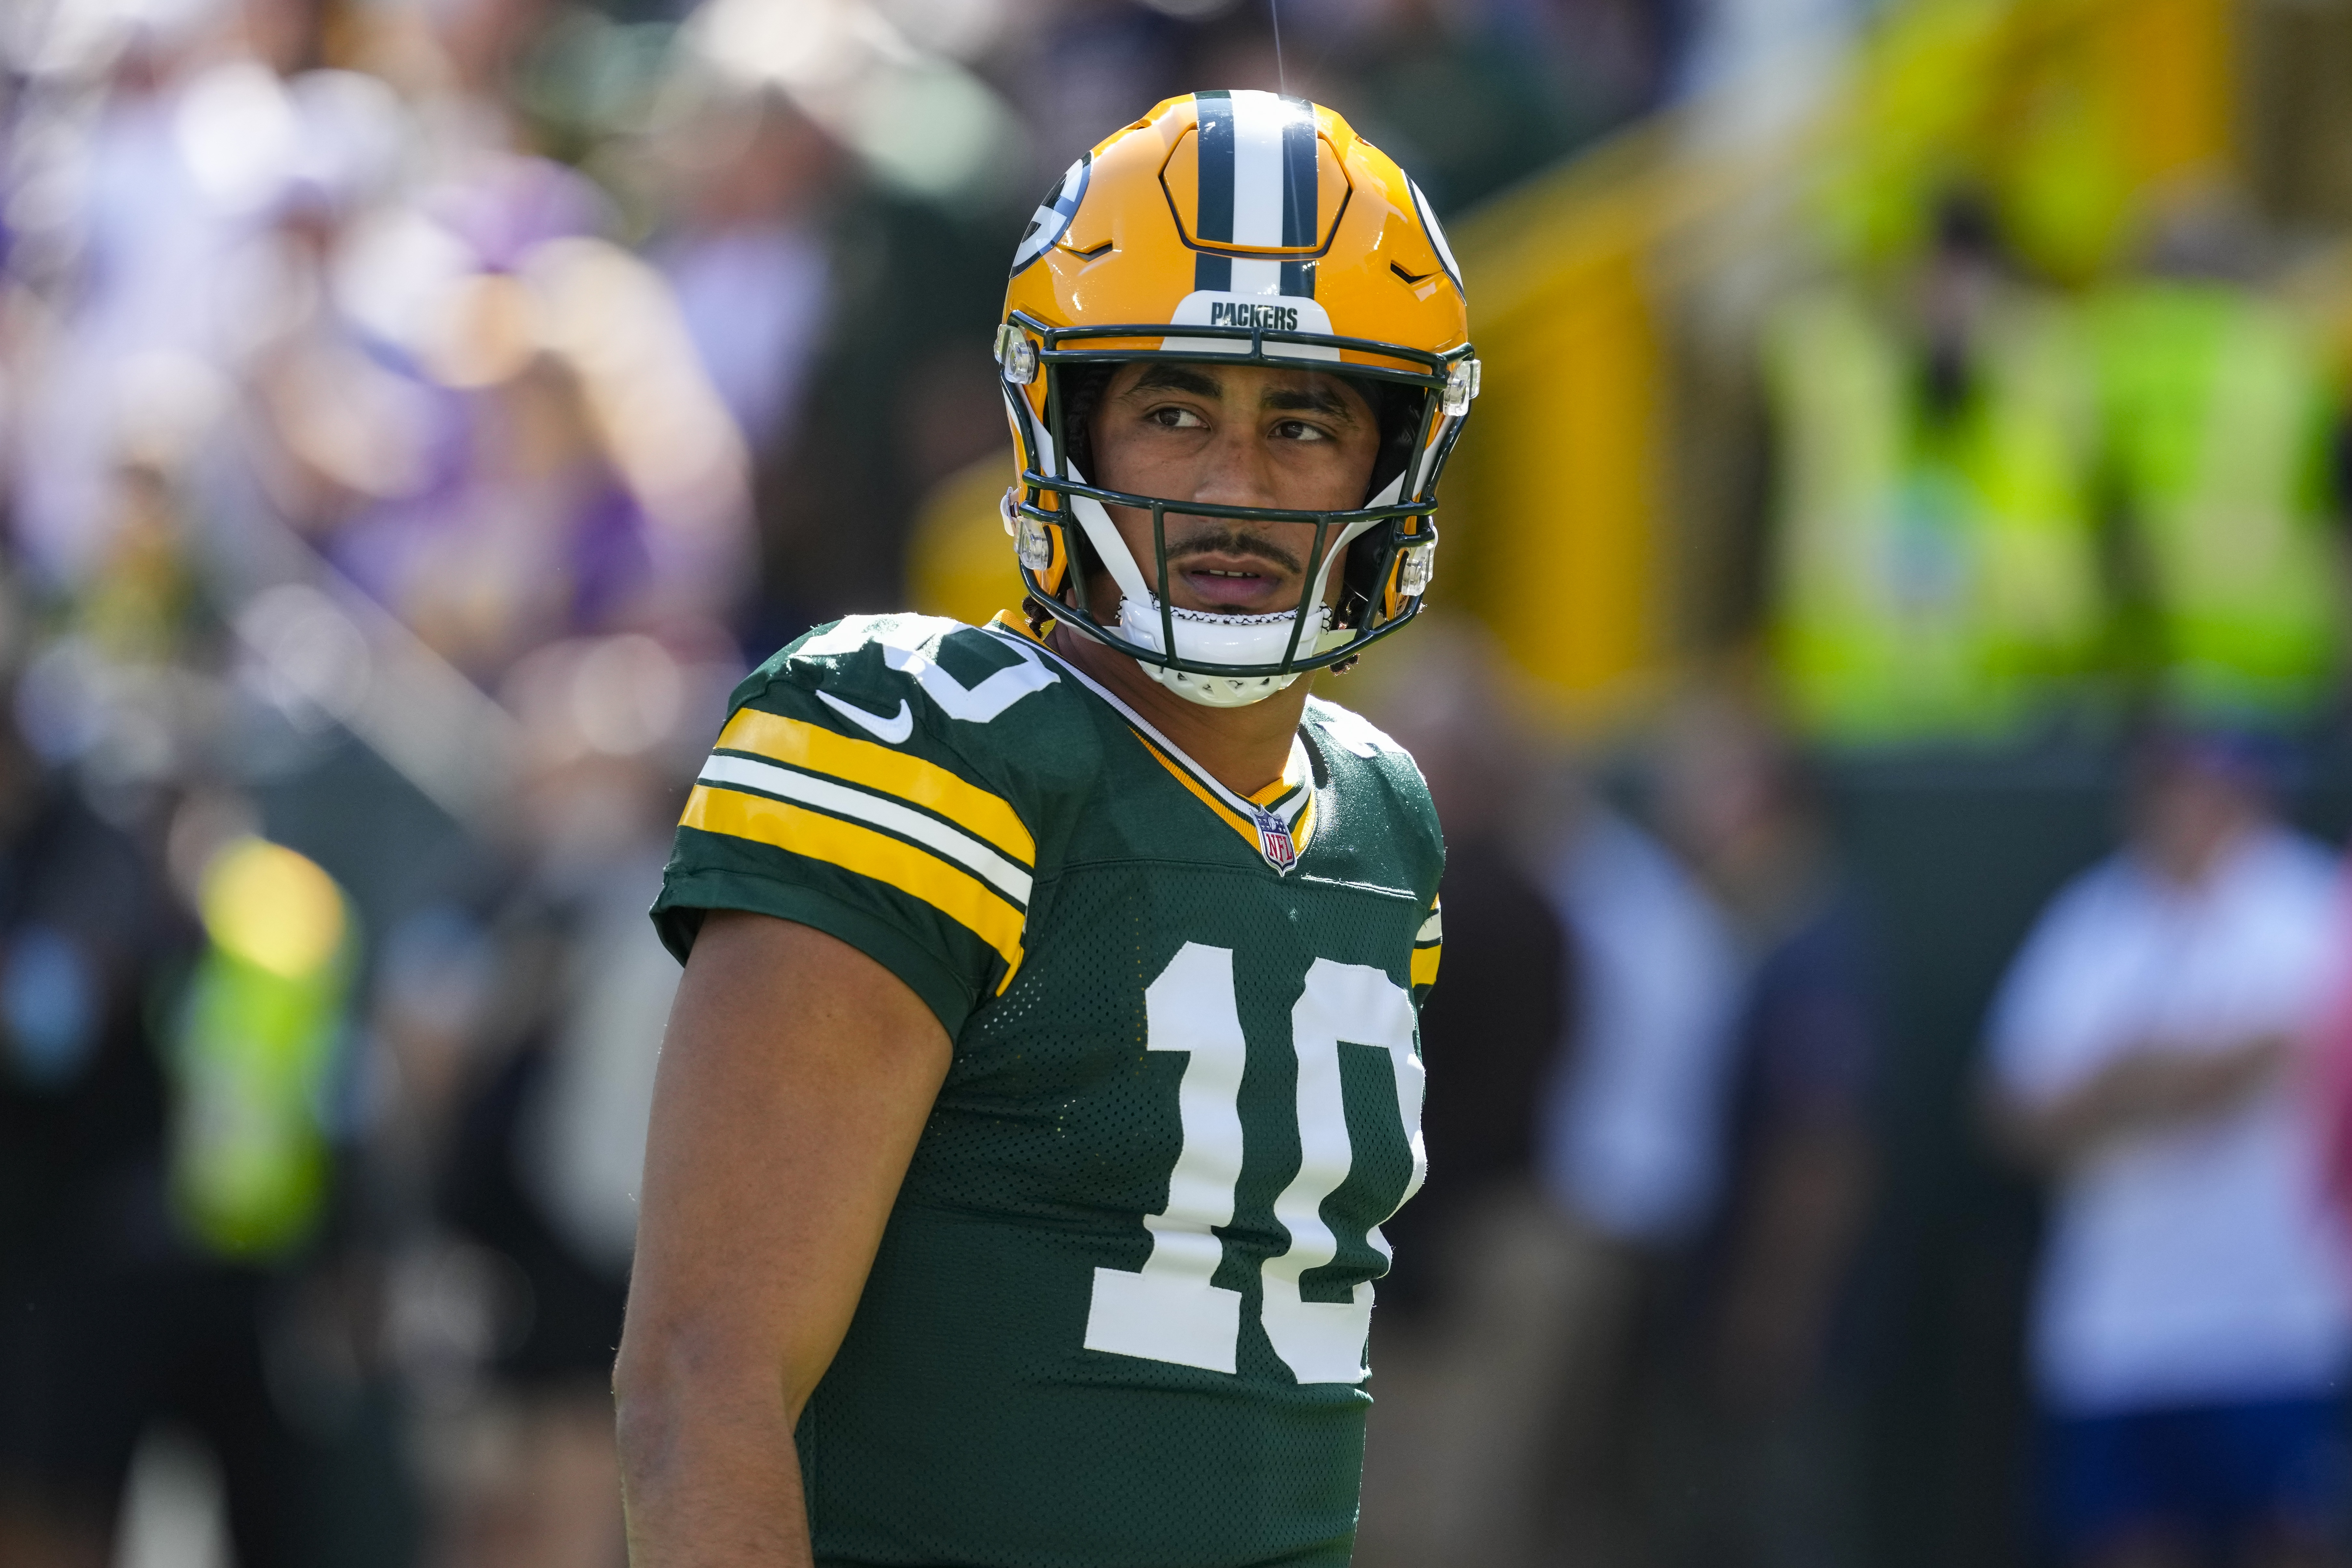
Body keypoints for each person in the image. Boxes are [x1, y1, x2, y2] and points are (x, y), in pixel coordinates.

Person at [614, 91, 1479, 1567]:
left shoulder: (1381, 815)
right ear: (1058, 418)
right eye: (1174, 409)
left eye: (1306, 422)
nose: (1235, 483)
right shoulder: (918, 740)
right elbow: (705, 1378)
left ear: (1390, 459)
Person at [1985, 730, 2352, 1568]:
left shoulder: (2314, 910)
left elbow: (2263, 1061)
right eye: (2168, 784)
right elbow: (2012, 1109)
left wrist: (2128, 1083)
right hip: (2116, 1336)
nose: (2185, 806)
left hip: (2277, 1326)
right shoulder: (2090, 920)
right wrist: (2145, 1080)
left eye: (2210, 786)